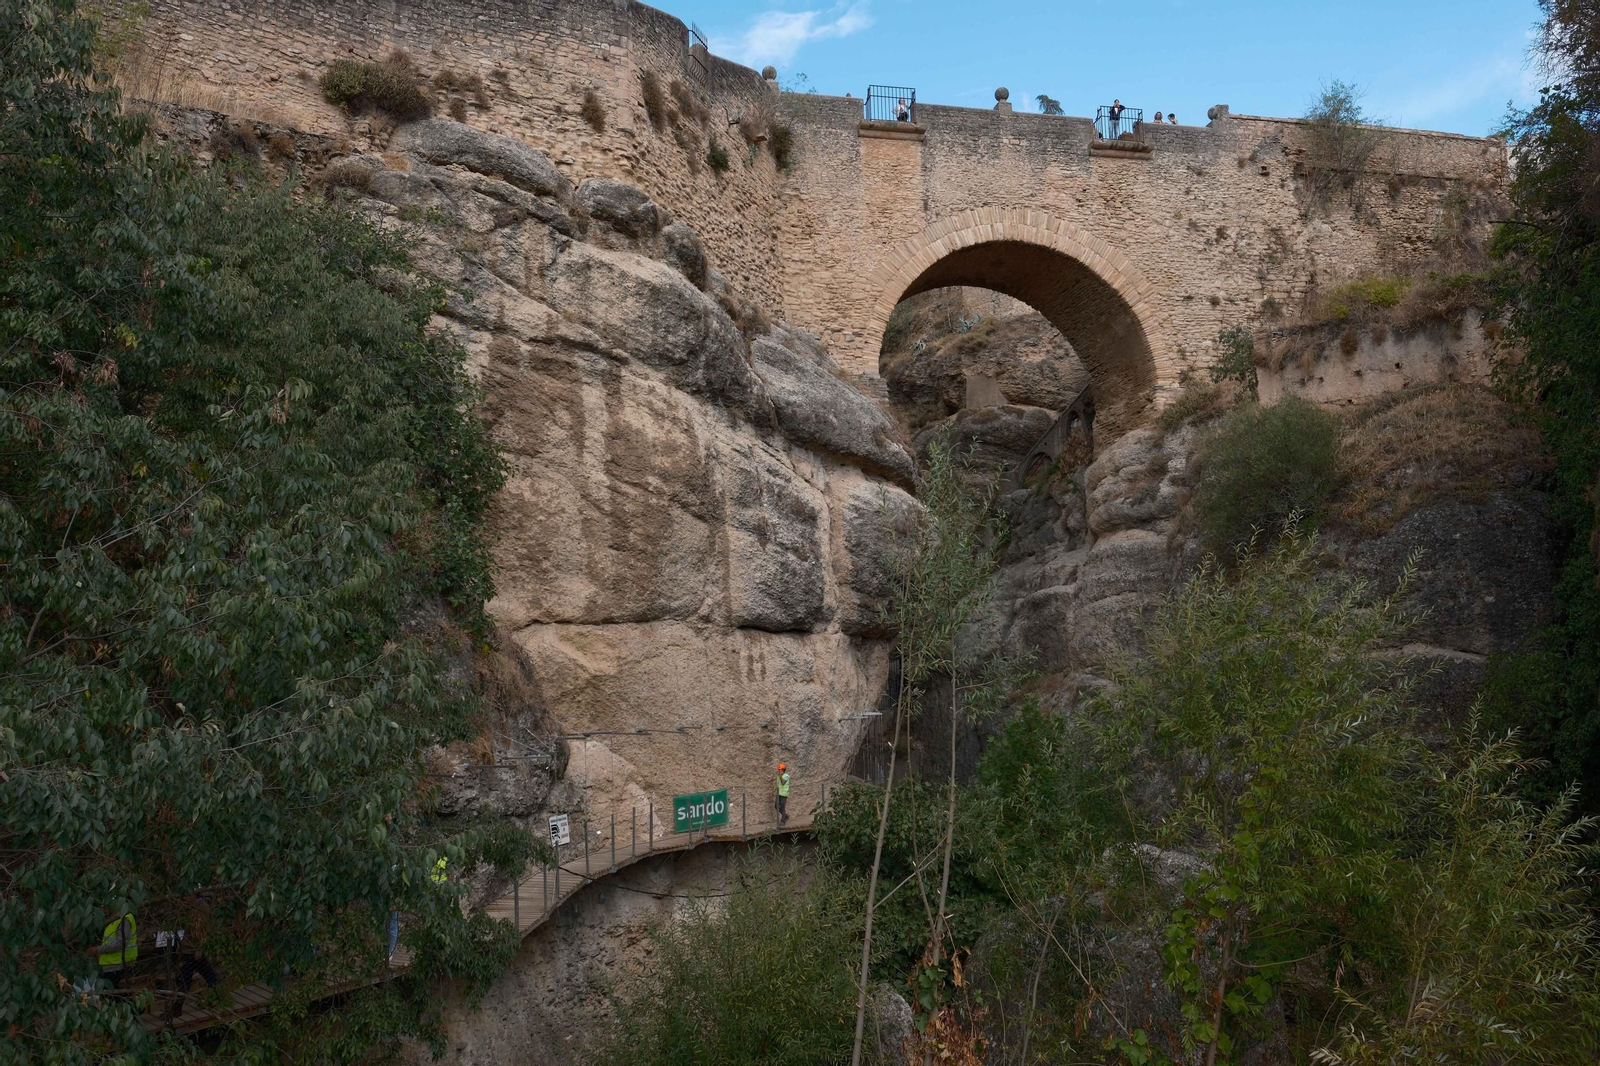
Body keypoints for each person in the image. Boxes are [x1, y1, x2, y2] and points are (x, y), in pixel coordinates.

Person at [96, 909, 137, 990]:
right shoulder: (113, 919)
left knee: (114, 994)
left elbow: (121, 943)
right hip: (111, 964)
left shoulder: (125, 919)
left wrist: (98, 949)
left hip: (119, 965)